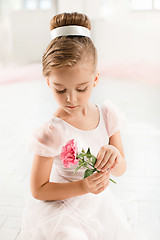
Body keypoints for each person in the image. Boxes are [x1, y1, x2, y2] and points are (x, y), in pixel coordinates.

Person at [21, 12, 136, 240]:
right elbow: (38, 189)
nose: (70, 99)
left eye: (81, 89)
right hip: (61, 208)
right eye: (60, 90)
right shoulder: (52, 132)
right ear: (48, 82)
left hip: (97, 206)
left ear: (95, 79)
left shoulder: (107, 115)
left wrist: (114, 156)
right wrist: (83, 187)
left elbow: (121, 168)